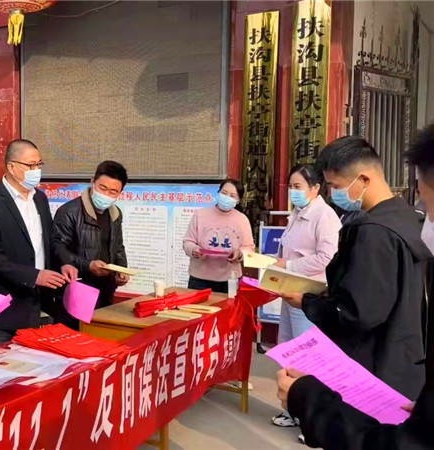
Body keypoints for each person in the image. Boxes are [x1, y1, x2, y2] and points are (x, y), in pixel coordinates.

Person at [276, 127, 434, 449]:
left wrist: (308, 302)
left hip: (373, 369)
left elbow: (358, 313)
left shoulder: (374, 232)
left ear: (363, 179)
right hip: (407, 361)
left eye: (335, 186)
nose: (333, 194)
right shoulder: (408, 218)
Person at [0, 139, 76, 345]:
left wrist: (63, 262)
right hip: (1, 312)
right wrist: (34, 276)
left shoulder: (40, 199)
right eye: (31, 165)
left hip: (37, 306)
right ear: (12, 167)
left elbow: (50, 240)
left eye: (39, 164)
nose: (36, 171)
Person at [269, 165, 342, 428]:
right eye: (290, 186)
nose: (293, 192)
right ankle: (293, 410)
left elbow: (326, 257)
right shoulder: (297, 214)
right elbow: (288, 252)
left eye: (298, 187)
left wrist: (287, 266)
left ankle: (312, 419)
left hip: (310, 297)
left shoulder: (324, 216)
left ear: (315, 188)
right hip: (290, 293)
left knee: (308, 357)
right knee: (288, 353)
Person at [52, 161, 129, 319]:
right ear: (92, 182)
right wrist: (88, 265)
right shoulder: (69, 211)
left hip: (106, 289)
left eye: (113, 192)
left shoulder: (115, 214)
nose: (106, 195)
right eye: (103, 188)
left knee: (101, 331)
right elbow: (58, 249)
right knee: (76, 332)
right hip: (78, 290)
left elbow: (118, 246)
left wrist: (122, 270)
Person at [182, 179, 255, 293]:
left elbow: (249, 248)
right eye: (224, 193)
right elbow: (187, 242)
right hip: (199, 279)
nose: (227, 197)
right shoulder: (200, 215)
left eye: (232, 196)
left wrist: (240, 253)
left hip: (230, 280)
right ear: (218, 192)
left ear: (238, 200)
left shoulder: (242, 220)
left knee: (228, 305)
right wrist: (193, 249)